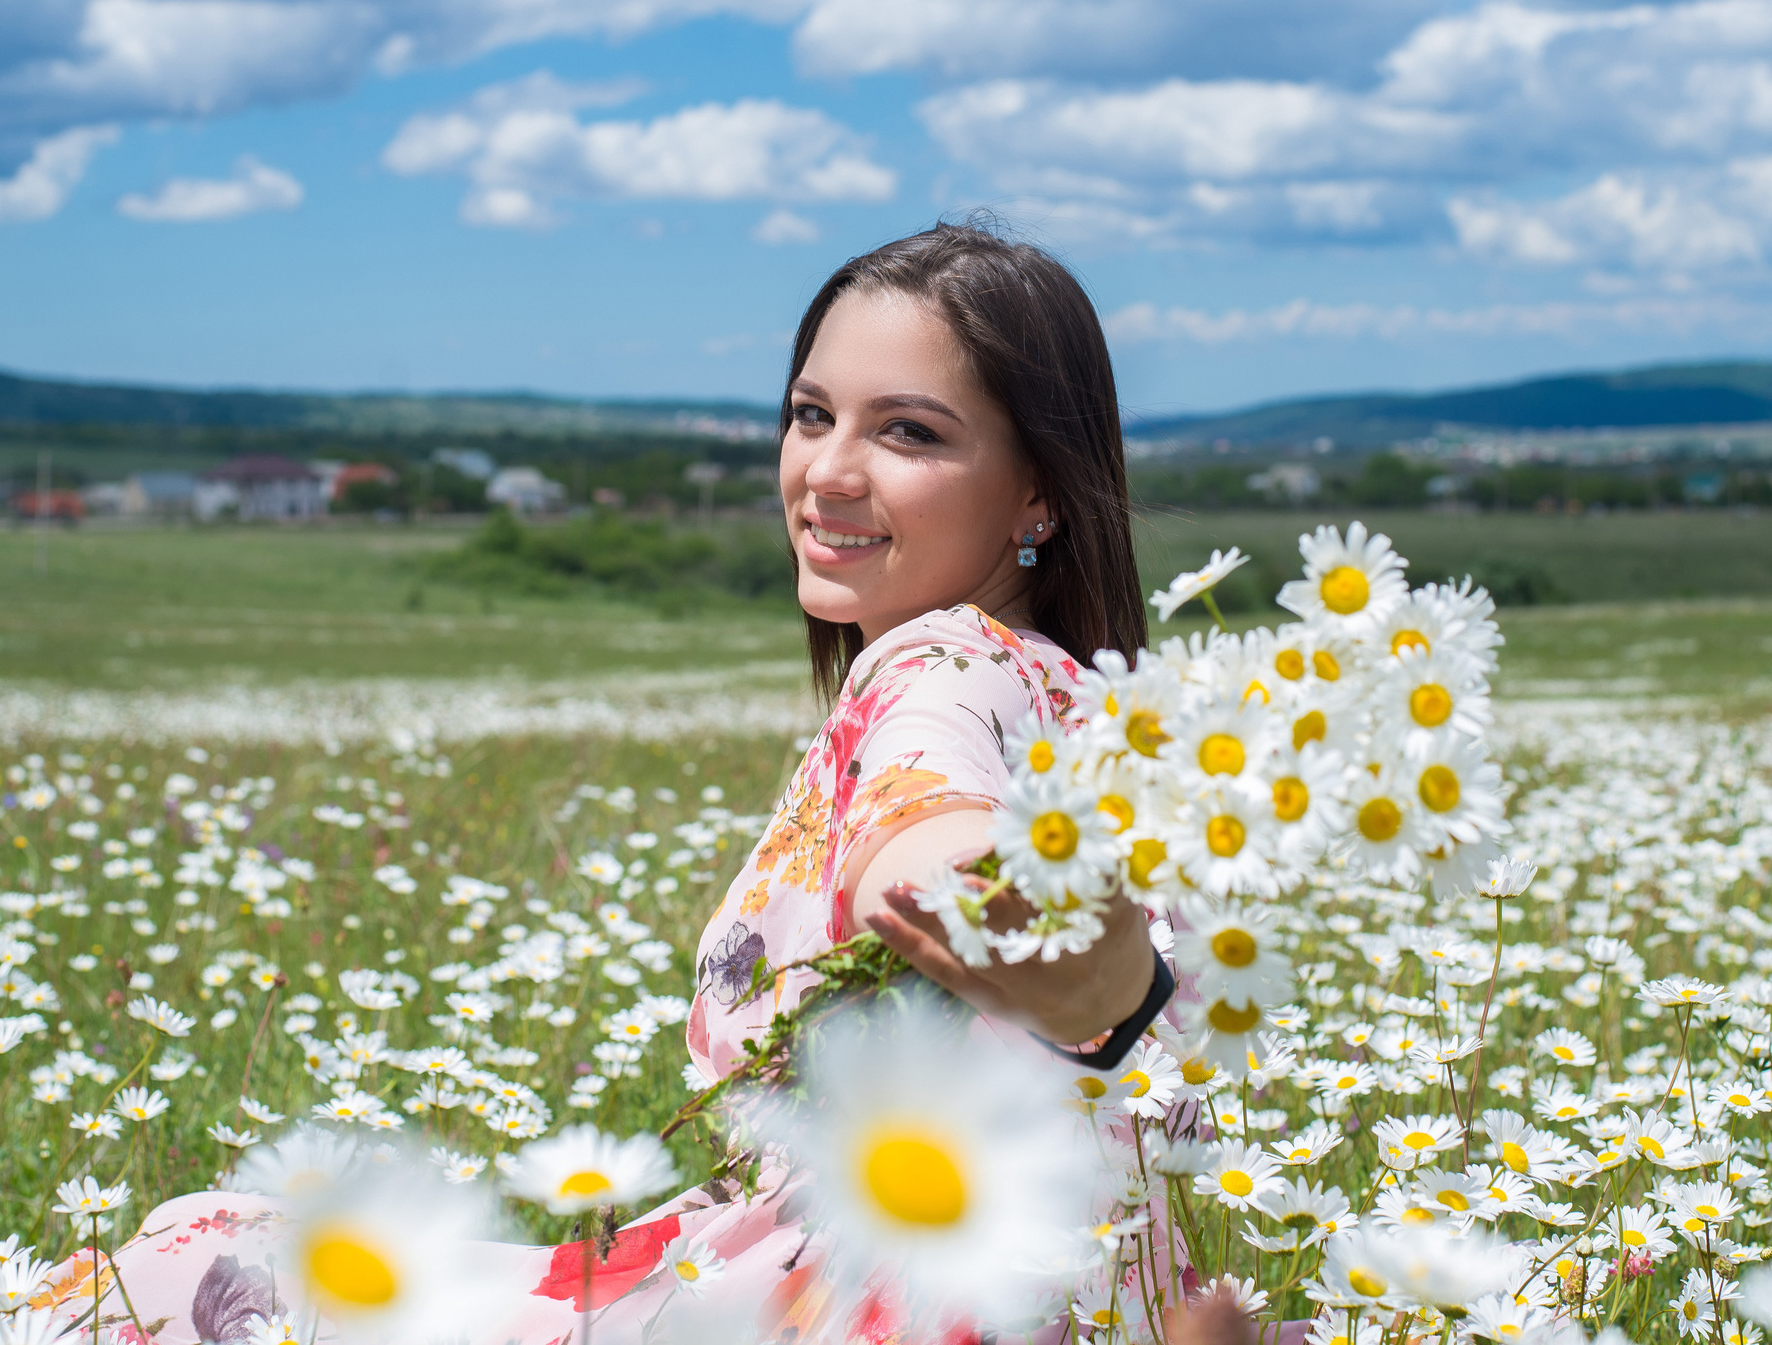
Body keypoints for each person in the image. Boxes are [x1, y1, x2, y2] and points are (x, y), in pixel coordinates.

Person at [97, 222, 1182, 1343]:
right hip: (1078, 1297)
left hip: (859, 1297)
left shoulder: (933, 664)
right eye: (812, 414)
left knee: (190, 1267)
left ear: (1038, 496)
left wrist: (1020, 925)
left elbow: (928, 830)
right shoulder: (1100, 711)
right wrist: (1099, 983)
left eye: (908, 430)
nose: (827, 470)